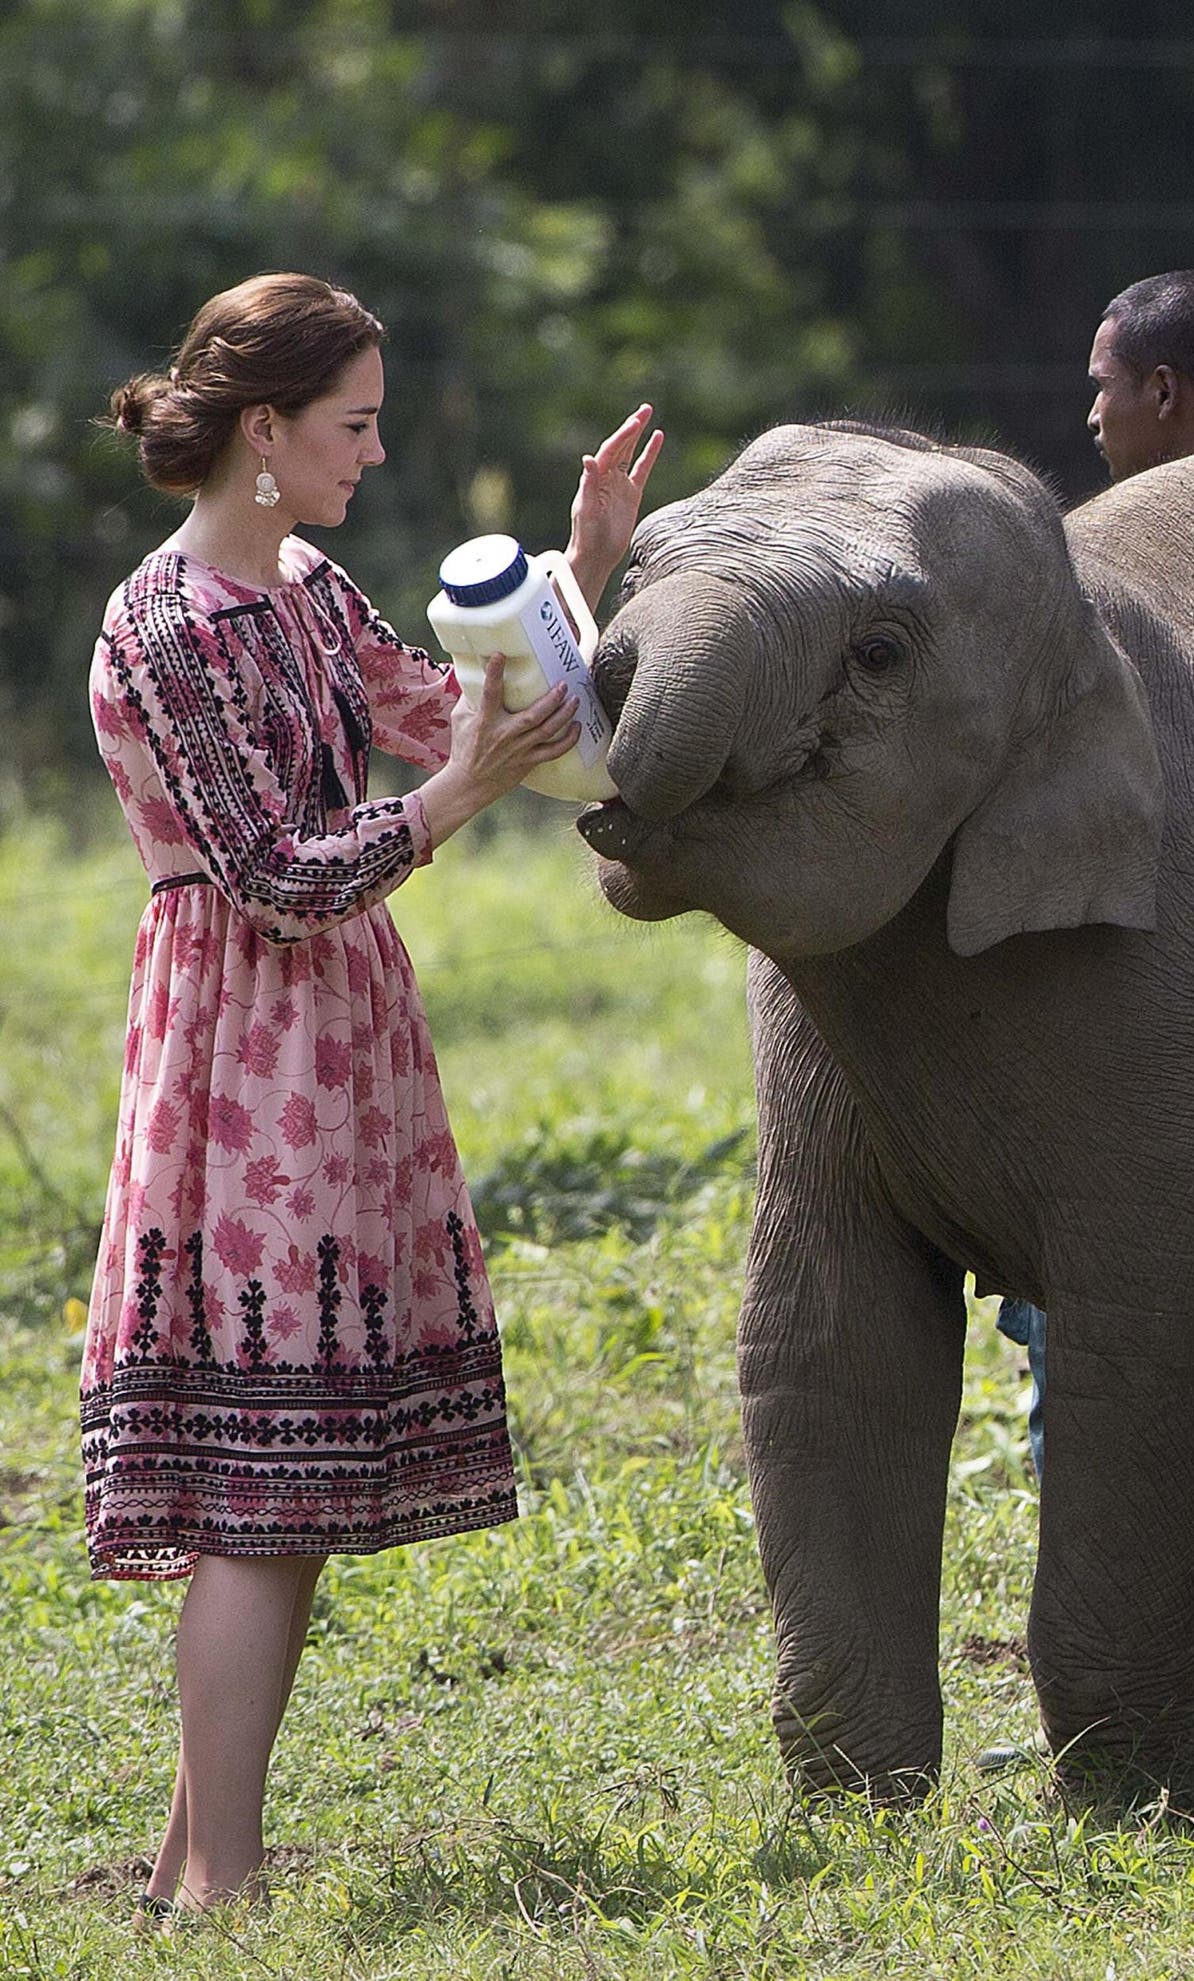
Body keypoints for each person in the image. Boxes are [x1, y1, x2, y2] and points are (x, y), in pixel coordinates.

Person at [83, 271, 661, 1923]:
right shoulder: (168, 622)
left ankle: (200, 1864)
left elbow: (465, 712)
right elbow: (271, 873)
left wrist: (583, 570)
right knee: (256, 1483)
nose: (376, 449)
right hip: (242, 1052)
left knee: (290, 1474)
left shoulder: (313, 590)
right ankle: (225, 1895)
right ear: (262, 433)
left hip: (329, 1041)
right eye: (353, 422)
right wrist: (455, 802)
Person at [982, 270, 1194, 1770]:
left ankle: (1164, 1676)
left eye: (1104, 382)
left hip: (1142, 1030)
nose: (1087, 411)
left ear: (1166, 392)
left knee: (1100, 1357)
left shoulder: (1108, 572)